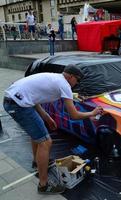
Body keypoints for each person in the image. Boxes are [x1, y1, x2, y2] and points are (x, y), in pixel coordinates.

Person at [3, 65, 103, 194]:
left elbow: (34, 97)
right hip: (18, 105)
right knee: (46, 142)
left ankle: (36, 161)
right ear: (71, 77)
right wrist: (92, 113)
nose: (77, 84)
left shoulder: (55, 78)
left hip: (15, 100)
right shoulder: (64, 84)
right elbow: (74, 115)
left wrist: (47, 117)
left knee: (38, 135)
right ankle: (43, 185)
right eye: (77, 80)